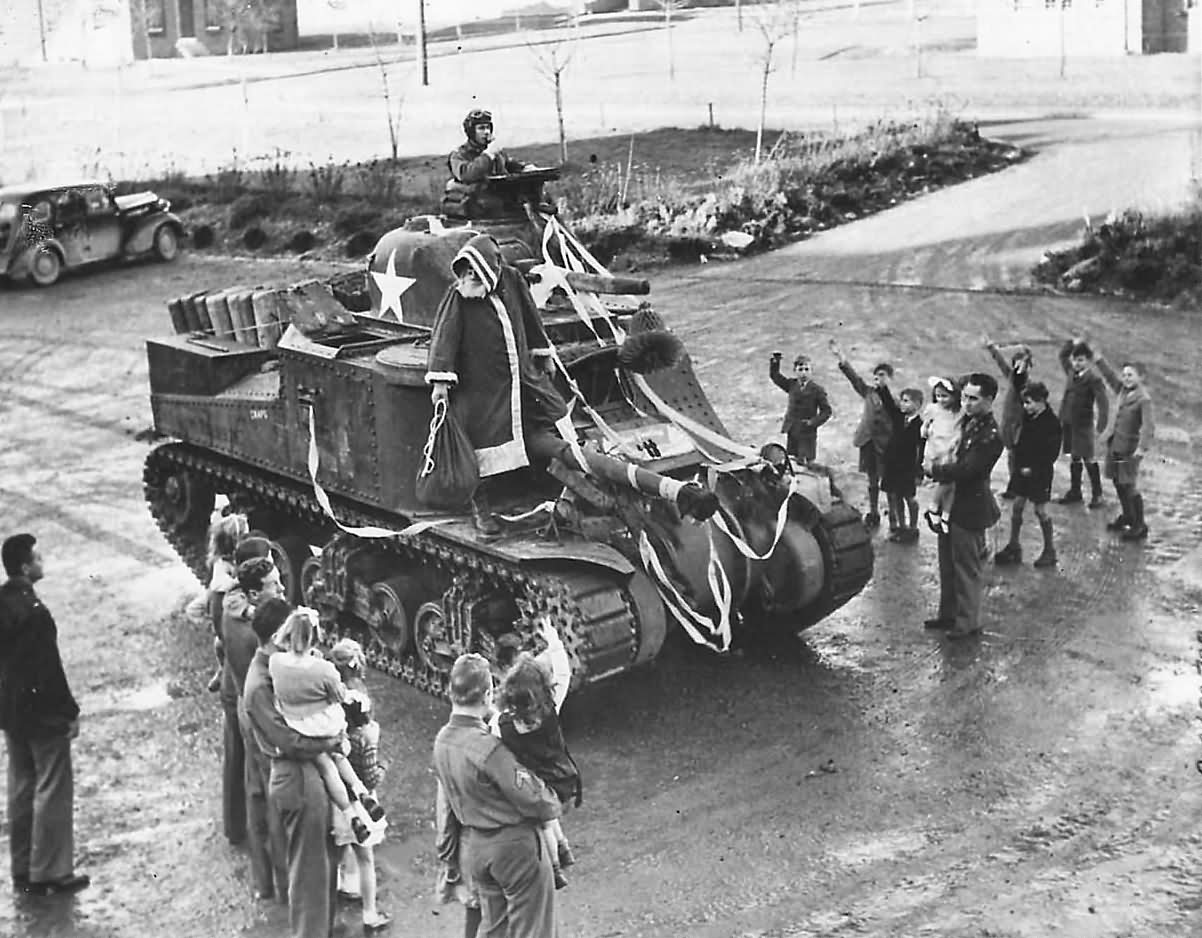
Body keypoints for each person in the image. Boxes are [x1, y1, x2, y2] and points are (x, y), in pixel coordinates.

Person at [426, 232, 718, 537]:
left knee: (555, 437)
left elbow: (530, 319)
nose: (471, 276)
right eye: (467, 270)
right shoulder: (457, 297)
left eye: (476, 269)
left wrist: (545, 354)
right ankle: (482, 510)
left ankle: (670, 491)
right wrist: (441, 383)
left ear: (492, 266)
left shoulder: (511, 281)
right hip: (482, 391)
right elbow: (444, 339)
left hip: (521, 383)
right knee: (482, 451)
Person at [433, 653, 562, 938]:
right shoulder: (488, 748)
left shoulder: (442, 740)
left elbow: (445, 805)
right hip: (514, 848)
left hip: (477, 848)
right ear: (488, 692)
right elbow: (534, 798)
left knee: (494, 929)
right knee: (534, 928)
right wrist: (554, 797)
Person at [243, 598, 342, 938]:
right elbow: (290, 742)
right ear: (276, 635)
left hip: (306, 774)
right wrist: (332, 739)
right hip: (295, 777)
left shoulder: (281, 668)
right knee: (309, 875)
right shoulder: (260, 683)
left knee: (323, 865)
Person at [0, 533, 90, 896]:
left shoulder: (3, 603)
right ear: (25, 566)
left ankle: (22, 866)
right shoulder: (36, 615)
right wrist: (69, 712)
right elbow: (49, 672)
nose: (42, 561)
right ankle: (51, 871)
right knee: (52, 787)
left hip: (11, 712)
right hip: (41, 714)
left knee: (21, 786)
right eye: (37, 557)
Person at [268, 609, 386, 845]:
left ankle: (350, 814)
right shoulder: (322, 669)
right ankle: (361, 791)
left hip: (299, 725)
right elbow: (339, 695)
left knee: (326, 766)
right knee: (340, 755)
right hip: (326, 724)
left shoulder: (276, 662)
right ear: (314, 637)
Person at [924, 373, 1004, 639]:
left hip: (969, 507)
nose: (966, 403)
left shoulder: (991, 435)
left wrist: (935, 469)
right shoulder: (967, 419)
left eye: (973, 398)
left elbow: (969, 470)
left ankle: (968, 622)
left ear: (990, 400)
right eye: (965, 397)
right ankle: (948, 614)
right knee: (947, 563)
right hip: (953, 502)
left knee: (966, 568)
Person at [495, 654, 581, 891]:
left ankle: (555, 867)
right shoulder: (550, 711)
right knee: (550, 810)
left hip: (536, 785)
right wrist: (553, 640)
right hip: (563, 777)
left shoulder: (503, 725)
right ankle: (564, 847)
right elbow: (563, 673)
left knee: (544, 823)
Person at [328, 638, 392, 933]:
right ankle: (369, 912)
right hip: (362, 795)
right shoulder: (368, 733)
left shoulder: (331, 722)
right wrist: (381, 768)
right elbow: (370, 775)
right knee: (366, 856)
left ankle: (341, 888)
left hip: (337, 797)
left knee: (339, 849)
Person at [220, 546, 279, 847]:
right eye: (274, 583)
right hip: (247, 699)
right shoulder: (252, 631)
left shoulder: (233, 602)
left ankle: (237, 828)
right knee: (260, 777)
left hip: (236, 690)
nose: (281, 589)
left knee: (240, 765)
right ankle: (266, 840)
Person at [238, 597, 292, 904]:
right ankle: (285, 890)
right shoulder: (260, 684)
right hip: (274, 766)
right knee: (277, 827)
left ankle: (276, 886)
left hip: (267, 761)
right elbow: (283, 739)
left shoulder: (268, 668)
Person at [993, 381, 1062, 568]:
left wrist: (1033, 468)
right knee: (1017, 506)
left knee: (1041, 510)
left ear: (1041, 401)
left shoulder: (1052, 423)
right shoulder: (1028, 417)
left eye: (1029, 402)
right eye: (1024, 402)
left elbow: (1051, 453)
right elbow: (1021, 441)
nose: (1026, 406)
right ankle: (1014, 545)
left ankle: (1050, 550)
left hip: (1039, 474)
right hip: (1022, 470)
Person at [828, 339, 894, 528]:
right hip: (867, 443)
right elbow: (854, 379)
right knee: (871, 480)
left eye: (882, 376)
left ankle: (893, 519)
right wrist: (841, 358)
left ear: (890, 378)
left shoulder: (896, 402)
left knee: (888, 483)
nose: (878, 379)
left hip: (884, 447)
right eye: (875, 377)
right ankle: (874, 512)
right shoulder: (868, 393)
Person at [1096, 355, 1155, 541]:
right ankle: (1128, 515)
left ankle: (1140, 524)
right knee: (1117, 480)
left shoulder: (1143, 399)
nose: (1126, 378)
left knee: (1128, 484)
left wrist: (1142, 448)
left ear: (1141, 377)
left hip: (1129, 449)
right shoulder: (1122, 390)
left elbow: (1148, 426)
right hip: (1115, 446)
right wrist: (1099, 360)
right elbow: (1109, 377)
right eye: (1125, 375)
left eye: (1131, 375)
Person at [443, 108, 536, 220]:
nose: (486, 132)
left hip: (501, 203)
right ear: (471, 132)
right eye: (481, 128)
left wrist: (526, 168)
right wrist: (488, 155)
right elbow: (467, 174)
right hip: (478, 207)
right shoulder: (459, 154)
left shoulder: (494, 151)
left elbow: (509, 164)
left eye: (488, 128)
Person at [1056, 337, 1110, 508]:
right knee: (1074, 457)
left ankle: (1098, 495)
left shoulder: (1094, 379)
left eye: (1081, 360)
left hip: (1083, 425)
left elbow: (1103, 403)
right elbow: (1062, 356)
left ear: (1088, 361)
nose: (1077, 363)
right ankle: (1075, 491)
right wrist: (1072, 342)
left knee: (1088, 459)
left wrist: (1101, 426)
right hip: (1068, 424)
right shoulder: (1071, 373)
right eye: (1075, 360)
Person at [982, 337, 1034, 500]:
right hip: (1008, 422)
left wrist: (1026, 357)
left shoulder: (1026, 384)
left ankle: (1017, 487)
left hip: (1019, 424)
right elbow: (1002, 364)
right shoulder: (1013, 378)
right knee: (1012, 455)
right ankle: (1016, 486)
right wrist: (993, 349)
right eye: (1016, 363)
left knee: (1016, 456)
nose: (1018, 367)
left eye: (1021, 364)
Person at [205, 512, 250, 692]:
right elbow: (218, 584)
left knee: (222, 643)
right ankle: (224, 671)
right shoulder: (222, 564)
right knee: (223, 643)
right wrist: (239, 581)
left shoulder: (236, 558)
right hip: (223, 604)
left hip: (227, 603)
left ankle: (225, 670)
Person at [767, 351, 833, 465]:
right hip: (792, 430)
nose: (803, 373)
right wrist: (775, 361)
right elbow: (775, 376)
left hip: (807, 433)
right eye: (800, 369)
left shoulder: (817, 390)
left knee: (807, 463)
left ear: (811, 371)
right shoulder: (791, 385)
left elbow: (826, 411)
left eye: (807, 369)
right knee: (792, 461)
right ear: (795, 371)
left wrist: (813, 422)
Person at [879, 386, 925, 543]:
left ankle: (913, 527)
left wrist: (919, 471)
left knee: (910, 497)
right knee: (895, 495)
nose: (902, 404)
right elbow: (889, 405)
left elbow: (922, 451)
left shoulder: (921, 426)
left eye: (906, 401)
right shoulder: (898, 417)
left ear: (917, 405)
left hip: (908, 468)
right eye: (901, 401)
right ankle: (902, 526)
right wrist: (882, 387)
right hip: (893, 465)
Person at [921, 376, 963, 535]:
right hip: (937, 449)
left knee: (952, 484)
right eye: (938, 396)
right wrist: (925, 430)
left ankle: (945, 514)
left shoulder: (959, 411)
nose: (941, 399)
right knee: (945, 481)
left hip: (951, 449)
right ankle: (933, 506)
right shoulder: (933, 409)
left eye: (945, 396)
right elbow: (925, 425)